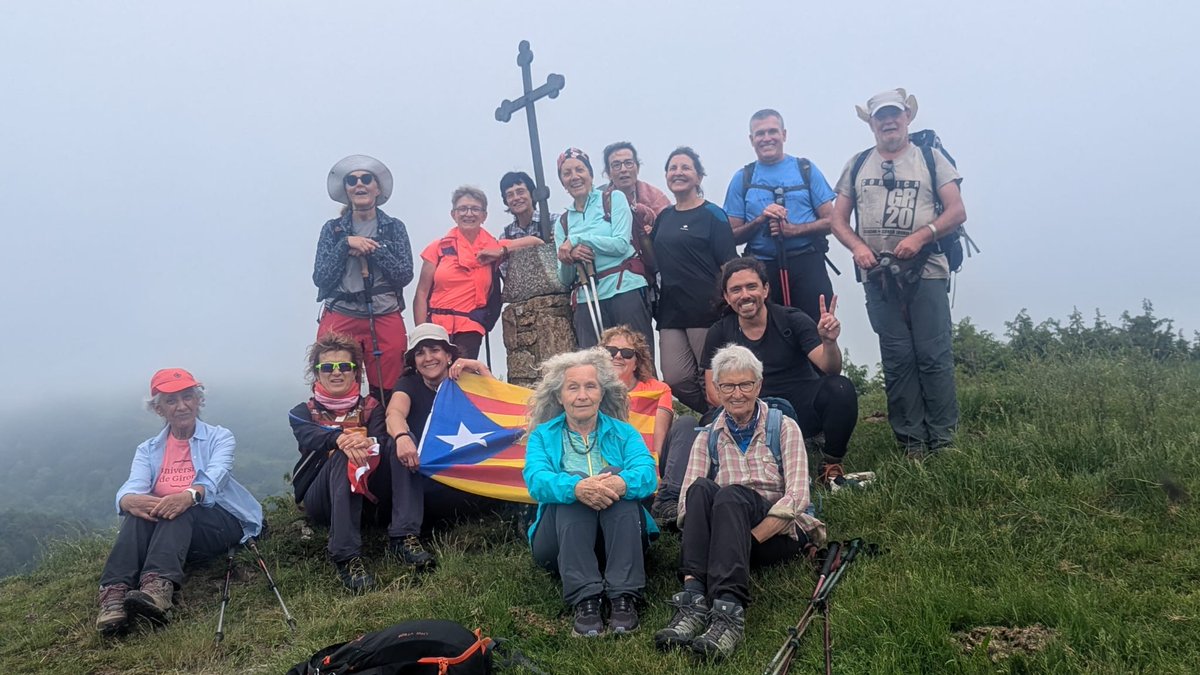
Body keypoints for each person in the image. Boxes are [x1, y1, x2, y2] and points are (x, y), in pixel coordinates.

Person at [654, 346, 825, 660]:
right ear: (717, 390)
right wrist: (716, 536)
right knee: (701, 490)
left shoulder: (783, 427)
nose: (737, 393)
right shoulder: (707, 436)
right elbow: (686, 503)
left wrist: (743, 541)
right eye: (728, 386)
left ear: (758, 386)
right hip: (726, 529)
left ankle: (729, 612)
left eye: (745, 384)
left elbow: (797, 498)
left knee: (731, 494)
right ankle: (693, 598)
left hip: (776, 533)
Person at [830, 89, 966, 457]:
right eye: (881, 117)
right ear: (871, 123)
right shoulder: (858, 164)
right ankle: (912, 443)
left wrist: (923, 236)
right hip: (879, 276)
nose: (889, 122)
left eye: (895, 115)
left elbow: (956, 211)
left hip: (928, 270)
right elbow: (837, 219)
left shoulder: (930, 158)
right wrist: (858, 247)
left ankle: (944, 441)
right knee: (897, 356)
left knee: (933, 354)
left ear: (907, 117)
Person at [96, 369, 262, 635]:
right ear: (159, 409)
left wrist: (189, 495)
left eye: (188, 397)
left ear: (198, 401)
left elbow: (215, 477)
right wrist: (128, 501)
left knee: (181, 506)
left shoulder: (220, 437)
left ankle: (158, 588)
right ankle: (114, 594)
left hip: (221, 522)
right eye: (171, 401)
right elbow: (132, 487)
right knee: (137, 512)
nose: (182, 406)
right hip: (171, 531)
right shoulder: (148, 449)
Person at [523, 348, 659, 638]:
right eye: (573, 387)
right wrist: (576, 488)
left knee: (615, 479)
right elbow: (536, 480)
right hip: (559, 543)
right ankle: (586, 599)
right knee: (573, 484)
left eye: (590, 386)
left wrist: (618, 484)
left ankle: (623, 597)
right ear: (560, 396)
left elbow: (648, 474)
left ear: (602, 393)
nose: (582, 395)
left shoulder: (624, 432)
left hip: (620, 536)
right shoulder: (543, 435)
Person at [700, 257, 858, 486]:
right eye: (736, 289)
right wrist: (746, 411)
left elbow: (830, 367)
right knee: (708, 420)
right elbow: (713, 393)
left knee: (840, 388)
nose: (744, 295)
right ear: (726, 297)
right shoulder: (720, 332)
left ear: (765, 289)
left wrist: (829, 342)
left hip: (801, 405)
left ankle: (830, 464)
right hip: (751, 409)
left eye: (751, 286)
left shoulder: (791, 319)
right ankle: (736, 470)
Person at [288, 333, 406, 592]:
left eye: (345, 366)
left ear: (356, 373)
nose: (336, 372)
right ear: (316, 374)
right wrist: (341, 440)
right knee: (344, 453)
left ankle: (406, 533)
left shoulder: (372, 407)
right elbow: (311, 436)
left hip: (368, 492)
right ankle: (346, 556)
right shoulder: (301, 413)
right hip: (323, 499)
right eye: (327, 367)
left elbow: (382, 442)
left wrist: (359, 443)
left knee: (398, 443)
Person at [384, 323, 499, 567]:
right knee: (401, 442)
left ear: (449, 355)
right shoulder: (409, 385)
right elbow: (394, 412)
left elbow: (500, 408)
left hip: (464, 482)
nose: (428, 358)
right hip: (422, 482)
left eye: (434, 350)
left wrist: (479, 367)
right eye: (420, 353)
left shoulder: (466, 381)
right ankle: (403, 537)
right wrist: (402, 437)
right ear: (413, 361)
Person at [314, 154, 414, 403]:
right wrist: (345, 244)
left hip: (384, 313)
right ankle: (341, 438)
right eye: (352, 180)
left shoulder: (394, 227)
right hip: (341, 313)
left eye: (366, 179)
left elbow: (404, 274)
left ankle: (387, 435)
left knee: (390, 387)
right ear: (346, 190)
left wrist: (374, 249)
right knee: (335, 383)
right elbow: (321, 277)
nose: (359, 184)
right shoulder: (332, 229)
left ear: (377, 188)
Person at [723, 109, 837, 323]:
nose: (767, 138)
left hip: (807, 263)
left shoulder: (806, 169)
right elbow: (731, 235)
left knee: (817, 327)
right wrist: (760, 221)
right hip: (762, 269)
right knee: (769, 333)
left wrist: (793, 230)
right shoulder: (743, 178)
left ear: (784, 134)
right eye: (760, 134)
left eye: (772, 131)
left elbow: (833, 221)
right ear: (751, 139)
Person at [652, 147, 737, 413]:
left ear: (699, 177)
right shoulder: (664, 217)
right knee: (676, 380)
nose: (678, 172)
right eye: (673, 168)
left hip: (707, 309)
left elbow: (729, 264)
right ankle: (715, 417)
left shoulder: (713, 215)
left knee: (711, 377)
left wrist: (732, 302)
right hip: (671, 313)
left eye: (685, 167)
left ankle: (728, 423)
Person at [553, 147, 654, 353]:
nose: (575, 177)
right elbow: (564, 278)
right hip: (586, 298)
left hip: (625, 289)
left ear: (590, 174)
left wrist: (578, 239)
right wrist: (569, 257)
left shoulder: (613, 199)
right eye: (567, 173)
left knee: (637, 359)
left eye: (580, 170)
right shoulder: (562, 222)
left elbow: (620, 245)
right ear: (562, 182)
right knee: (594, 368)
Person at [413, 186, 501, 360]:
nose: (469, 213)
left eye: (475, 209)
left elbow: (534, 242)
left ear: (484, 216)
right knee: (432, 377)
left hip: (470, 328)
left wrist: (503, 249)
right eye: (463, 208)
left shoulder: (494, 249)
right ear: (453, 214)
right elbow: (421, 293)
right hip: (436, 326)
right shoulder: (437, 248)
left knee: (461, 377)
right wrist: (421, 333)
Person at [480, 171, 556, 279]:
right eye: (510, 195)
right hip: (522, 294)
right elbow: (507, 275)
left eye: (520, 192)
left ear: (532, 194)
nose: (516, 198)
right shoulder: (505, 236)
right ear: (506, 201)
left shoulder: (554, 222)